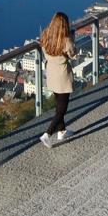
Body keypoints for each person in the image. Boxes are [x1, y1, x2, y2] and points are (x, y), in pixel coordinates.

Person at [38, 11, 76, 148]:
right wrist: (72, 38)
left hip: (51, 72)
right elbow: (73, 54)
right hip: (62, 74)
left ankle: (62, 132)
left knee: (59, 103)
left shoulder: (46, 36)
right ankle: (47, 134)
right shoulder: (66, 40)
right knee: (62, 108)